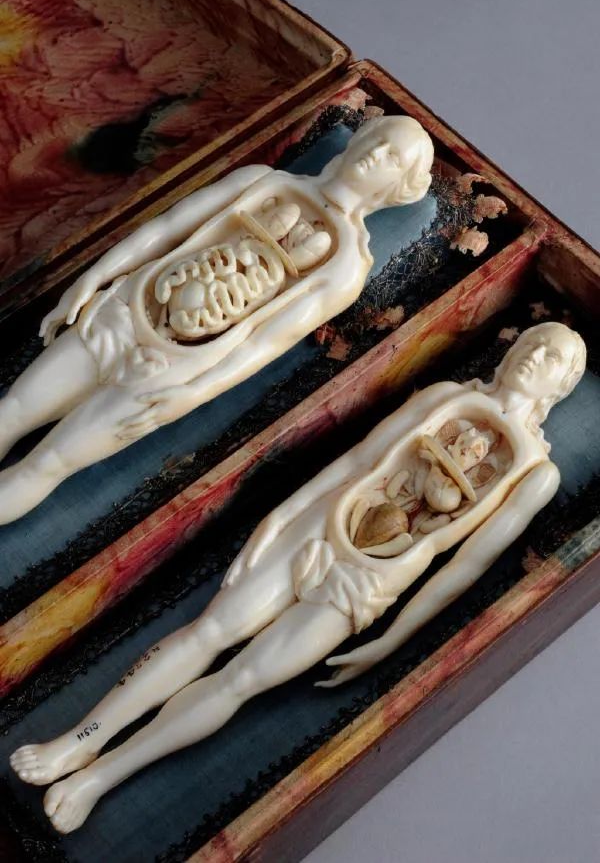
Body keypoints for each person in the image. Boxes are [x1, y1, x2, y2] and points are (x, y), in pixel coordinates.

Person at [10, 322, 586, 834]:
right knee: (207, 632)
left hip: (365, 587)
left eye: (553, 357)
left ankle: (99, 778)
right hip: (317, 530)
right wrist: (279, 518)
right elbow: (359, 461)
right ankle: (77, 741)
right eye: (534, 342)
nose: (535, 355)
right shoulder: (446, 397)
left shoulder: (536, 473)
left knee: (240, 681)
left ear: (561, 386)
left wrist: (392, 637)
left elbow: (465, 566)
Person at [0, 116, 434, 524]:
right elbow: (166, 229)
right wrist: (94, 278)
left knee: (49, 463)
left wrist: (191, 393)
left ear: (398, 187)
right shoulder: (260, 181)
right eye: (377, 139)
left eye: (392, 157)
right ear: (360, 137)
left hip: (169, 375)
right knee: (12, 410)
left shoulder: (346, 267)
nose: (375, 153)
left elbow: (262, 343)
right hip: (126, 313)